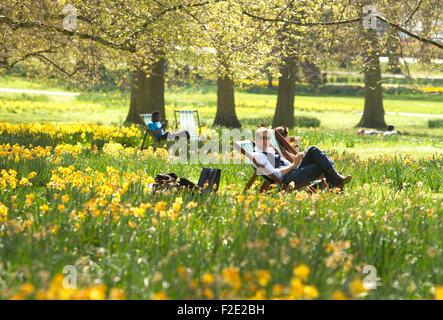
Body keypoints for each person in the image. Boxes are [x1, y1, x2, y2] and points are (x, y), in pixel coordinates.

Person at [253, 127, 352, 190]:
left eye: (268, 138)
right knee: (320, 165)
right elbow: (274, 174)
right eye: (263, 138)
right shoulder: (258, 156)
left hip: (293, 171)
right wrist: (293, 165)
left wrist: (296, 160)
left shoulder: (269, 150)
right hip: (287, 179)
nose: (266, 141)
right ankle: (336, 181)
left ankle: (336, 178)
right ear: (256, 139)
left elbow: (284, 163)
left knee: (312, 150)